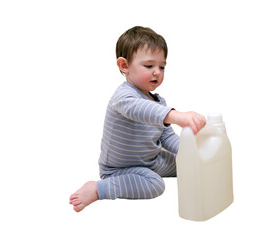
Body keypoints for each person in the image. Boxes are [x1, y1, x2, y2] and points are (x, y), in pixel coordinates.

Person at [69, 26, 206, 212]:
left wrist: (190, 151)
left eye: (162, 66)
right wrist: (175, 115)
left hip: (151, 161)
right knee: (155, 185)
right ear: (124, 66)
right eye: (149, 66)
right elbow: (141, 110)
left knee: (186, 162)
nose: (157, 72)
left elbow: (166, 137)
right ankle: (98, 189)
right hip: (120, 169)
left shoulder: (159, 102)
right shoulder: (123, 97)